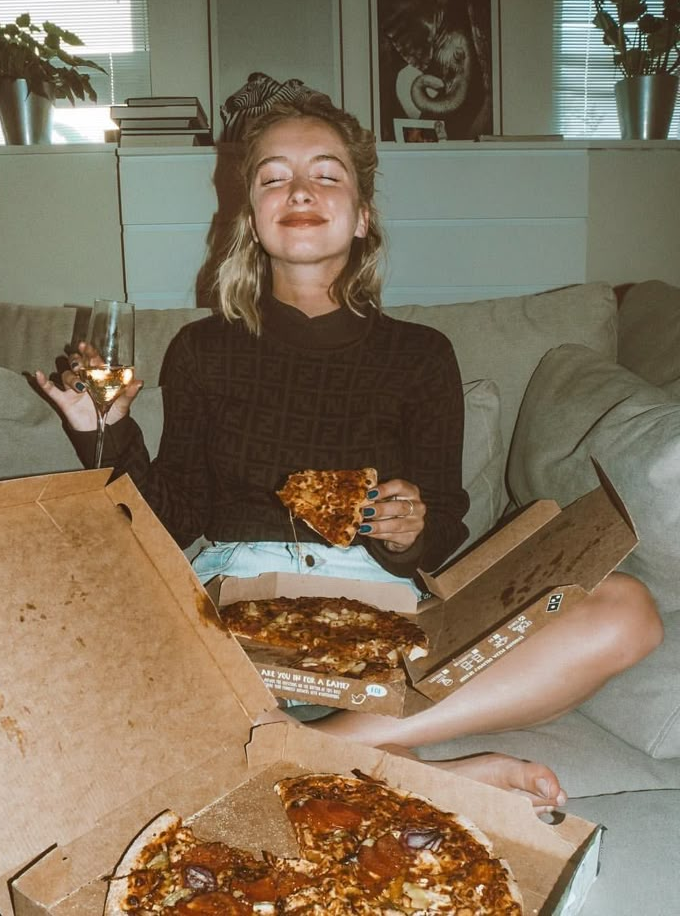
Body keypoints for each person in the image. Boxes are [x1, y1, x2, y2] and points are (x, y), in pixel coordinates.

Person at [36, 94, 663, 814]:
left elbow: (446, 522)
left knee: (626, 611)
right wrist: (103, 428)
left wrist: (409, 527)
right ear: (249, 217)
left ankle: (328, 752)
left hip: (387, 618)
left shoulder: (422, 356)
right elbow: (174, 519)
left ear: (363, 215)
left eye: (326, 175)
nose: (299, 191)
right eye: (273, 178)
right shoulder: (202, 350)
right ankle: (401, 769)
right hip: (231, 611)